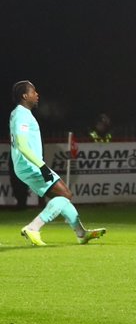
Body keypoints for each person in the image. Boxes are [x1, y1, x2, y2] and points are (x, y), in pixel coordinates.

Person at [9, 81, 106, 246]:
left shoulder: (19, 113)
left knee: (62, 197)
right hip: (29, 165)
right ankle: (33, 228)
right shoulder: (22, 115)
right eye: (33, 92)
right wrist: (42, 166)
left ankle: (81, 233)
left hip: (26, 165)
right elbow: (22, 145)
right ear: (25, 96)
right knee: (65, 195)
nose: (37, 94)